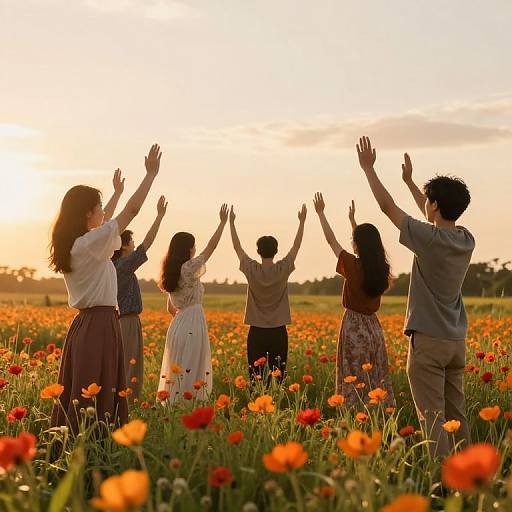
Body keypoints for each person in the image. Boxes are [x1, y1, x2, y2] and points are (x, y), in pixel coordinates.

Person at [356, 136, 474, 458]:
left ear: (433, 205)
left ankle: (442, 486)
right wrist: (410, 182)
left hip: (429, 342)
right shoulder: (466, 240)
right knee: (456, 415)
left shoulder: (428, 239)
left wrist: (369, 170)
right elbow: (433, 213)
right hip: (455, 342)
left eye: (429, 201)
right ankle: (470, 480)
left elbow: (387, 207)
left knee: (433, 418)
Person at [49, 145, 163, 433]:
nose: (103, 212)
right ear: (88, 213)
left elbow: (105, 221)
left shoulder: (79, 244)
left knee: (86, 392)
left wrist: (114, 194)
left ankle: (83, 449)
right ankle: (91, 453)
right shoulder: (89, 245)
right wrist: (150, 175)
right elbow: (130, 213)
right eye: (98, 207)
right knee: (93, 394)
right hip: (99, 324)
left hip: (90, 324)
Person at [313, 193, 395, 407]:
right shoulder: (381, 268)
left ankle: (354, 414)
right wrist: (353, 222)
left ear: (356, 244)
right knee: (374, 375)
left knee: (354, 375)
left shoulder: (353, 265)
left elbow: (332, 241)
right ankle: (378, 413)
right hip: (373, 328)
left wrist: (321, 214)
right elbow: (365, 246)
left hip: (353, 326)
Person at [157, 204, 229, 402]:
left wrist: (183, 318)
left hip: (178, 324)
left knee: (177, 371)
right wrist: (222, 224)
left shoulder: (169, 271)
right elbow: (211, 247)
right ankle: (190, 409)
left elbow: (170, 308)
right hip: (192, 322)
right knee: (193, 369)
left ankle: (173, 411)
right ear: (188, 248)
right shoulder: (188, 269)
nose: (196, 248)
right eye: (194, 245)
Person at [229, 204, 307, 382]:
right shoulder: (283, 269)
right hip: (278, 331)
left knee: (255, 378)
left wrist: (231, 223)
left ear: (258, 251)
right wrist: (302, 222)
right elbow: (297, 246)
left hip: (256, 331)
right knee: (279, 378)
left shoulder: (251, 269)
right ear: (276, 250)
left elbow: (237, 247)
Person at [112, 195, 168, 400]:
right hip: (126, 321)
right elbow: (147, 244)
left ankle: (124, 405)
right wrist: (159, 217)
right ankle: (125, 405)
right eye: (131, 242)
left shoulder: (116, 266)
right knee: (129, 368)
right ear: (124, 246)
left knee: (128, 366)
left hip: (126, 321)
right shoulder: (124, 266)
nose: (134, 245)